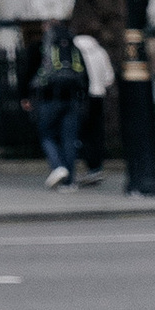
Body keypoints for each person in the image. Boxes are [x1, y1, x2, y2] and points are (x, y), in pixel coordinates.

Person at [30, 24, 87, 187]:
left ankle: (58, 166)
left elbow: (33, 72)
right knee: (69, 139)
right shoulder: (74, 49)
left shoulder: (44, 47)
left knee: (46, 134)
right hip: (72, 98)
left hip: (49, 98)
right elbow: (85, 76)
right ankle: (69, 181)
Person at [74, 26, 115, 181]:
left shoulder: (74, 50)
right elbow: (109, 78)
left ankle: (85, 163)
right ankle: (96, 167)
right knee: (96, 132)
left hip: (81, 96)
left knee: (81, 132)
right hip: (98, 95)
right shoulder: (100, 51)